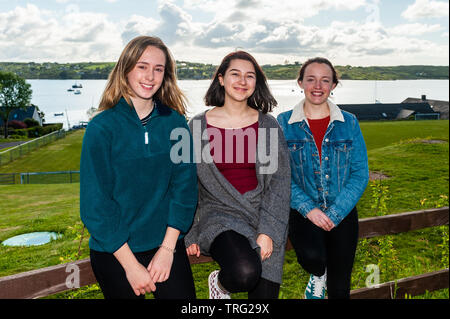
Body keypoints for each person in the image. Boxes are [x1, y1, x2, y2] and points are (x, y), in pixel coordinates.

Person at [80, 36, 198, 299]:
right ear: (126, 69)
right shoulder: (101, 128)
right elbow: (95, 205)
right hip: (115, 250)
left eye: (158, 69)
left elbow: (185, 190)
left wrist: (168, 250)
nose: (150, 76)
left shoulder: (177, 124)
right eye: (142, 66)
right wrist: (131, 266)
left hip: (166, 244)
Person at [185, 51, 291, 299]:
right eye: (235, 74)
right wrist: (189, 232)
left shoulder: (268, 125)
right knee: (244, 273)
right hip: (219, 216)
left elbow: (279, 183)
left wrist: (269, 231)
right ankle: (220, 286)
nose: (242, 81)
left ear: (256, 83)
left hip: (263, 213)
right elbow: (184, 183)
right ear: (221, 79)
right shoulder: (197, 127)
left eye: (250, 76)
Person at [277, 57, 369, 299]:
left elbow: (360, 174)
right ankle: (318, 275)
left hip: (343, 210)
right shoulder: (284, 122)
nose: (318, 86)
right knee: (313, 259)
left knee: (340, 288)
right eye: (311, 79)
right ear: (300, 82)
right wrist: (309, 209)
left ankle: (327, 280)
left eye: (325, 80)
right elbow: (281, 175)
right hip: (302, 210)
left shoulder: (349, 122)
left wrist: (336, 213)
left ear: (333, 86)